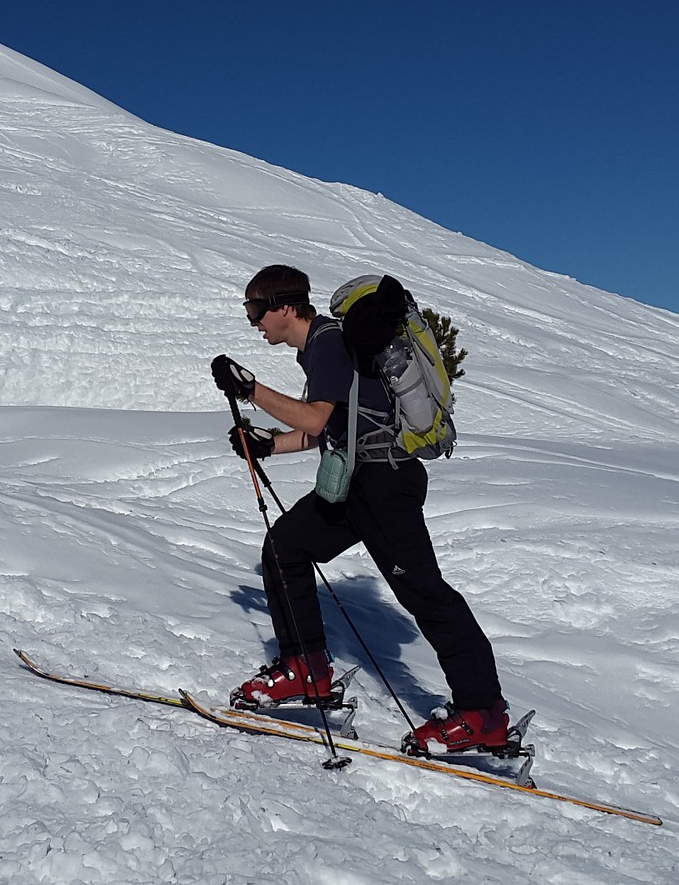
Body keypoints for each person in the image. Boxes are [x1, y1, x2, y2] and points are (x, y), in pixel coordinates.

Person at [211, 264, 511, 754]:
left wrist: (251, 389)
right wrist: (268, 446)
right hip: (358, 480)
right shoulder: (322, 349)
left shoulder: (328, 343)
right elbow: (328, 429)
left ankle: (483, 713)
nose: (253, 322)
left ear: (285, 306)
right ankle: (304, 668)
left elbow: (315, 417)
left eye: (255, 310)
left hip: (384, 483)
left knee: (425, 594)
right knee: (285, 547)